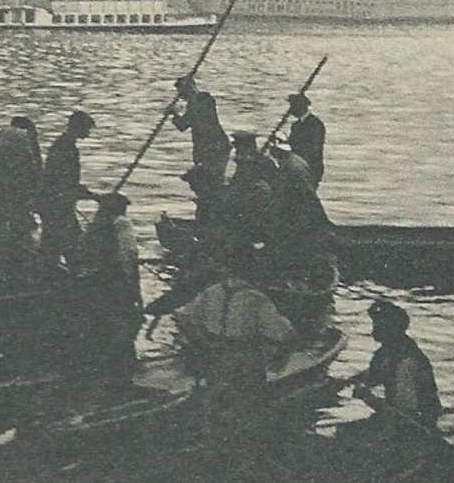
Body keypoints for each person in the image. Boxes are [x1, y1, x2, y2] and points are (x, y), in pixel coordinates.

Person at [174, 246, 299, 455]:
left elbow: (185, 318)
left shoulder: (210, 292)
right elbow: (282, 332)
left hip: (214, 356)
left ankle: (212, 448)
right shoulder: (256, 299)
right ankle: (243, 453)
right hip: (244, 357)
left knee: (215, 401)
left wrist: (201, 342)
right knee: (249, 406)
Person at [350, 299, 441, 433]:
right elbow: (376, 374)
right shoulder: (388, 352)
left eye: (381, 324)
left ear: (393, 328)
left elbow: (403, 412)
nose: (374, 329)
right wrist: (349, 381)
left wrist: (367, 397)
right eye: (375, 323)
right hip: (398, 418)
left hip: (414, 426)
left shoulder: (408, 362)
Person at [37, 110, 98, 266]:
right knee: (69, 244)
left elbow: (66, 180)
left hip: (58, 202)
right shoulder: (65, 148)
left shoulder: (64, 145)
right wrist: (86, 195)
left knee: (54, 243)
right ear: (78, 127)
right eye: (87, 129)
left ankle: (51, 273)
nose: (88, 133)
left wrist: (84, 192)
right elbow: (61, 181)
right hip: (58, 204)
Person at [79, 191, 143, 336]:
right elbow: (129, 253)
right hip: (113, 278)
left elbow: (82, 253)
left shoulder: (94, 227)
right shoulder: (121, 223)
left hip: (91, 279)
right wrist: (133, 285)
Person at [0, 117, 43, 248]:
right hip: (16, 187)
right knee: (19, 219)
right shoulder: (25, 136)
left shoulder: (0, 135)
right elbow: (34, 165)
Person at [170, 73, 231, 183]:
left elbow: (196, 113)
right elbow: (182, 126)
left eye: (182, 92)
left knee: (212, 176)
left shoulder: (205, 98)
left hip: (215, 145)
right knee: (204, 177)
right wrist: (174, 114)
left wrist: (177, 112)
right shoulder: (192, 104)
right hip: (202, 145)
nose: (182, 96)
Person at [285, 92, 327, 188]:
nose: (291, 110)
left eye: (293, 107)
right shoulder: (296, 125)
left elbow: (314, 148)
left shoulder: (316, 124)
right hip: (297, 166)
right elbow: (292, 143)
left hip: (312, 167)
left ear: (301, 107)